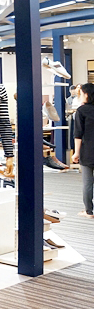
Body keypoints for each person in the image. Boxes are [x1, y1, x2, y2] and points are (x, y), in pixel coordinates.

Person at [72, 82, 94, 218]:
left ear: (86, 94)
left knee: (87, 183)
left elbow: (78, 134)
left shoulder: (81, 111)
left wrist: (76, 152)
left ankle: (89, 211)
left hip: (88, 151)